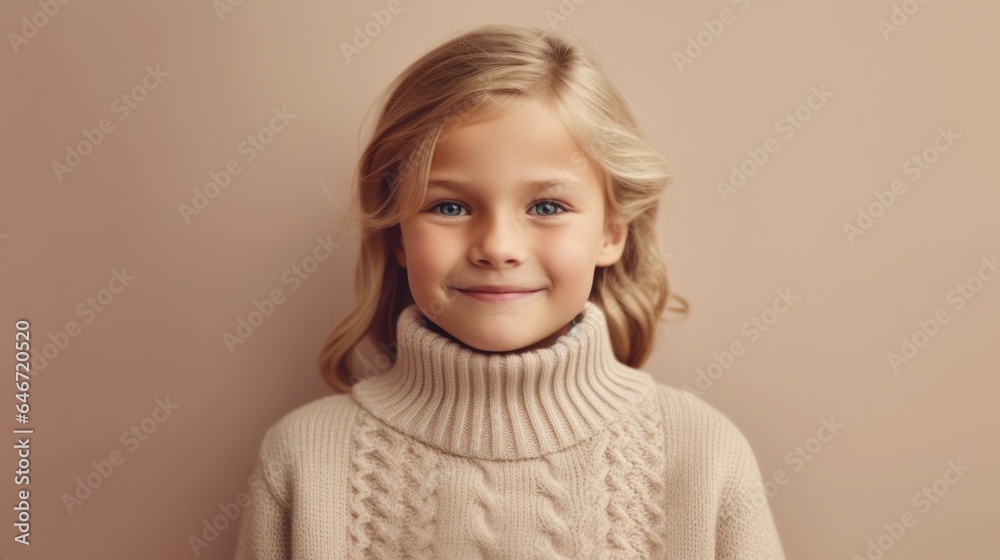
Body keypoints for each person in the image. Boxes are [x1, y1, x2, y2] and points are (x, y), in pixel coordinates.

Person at [233, 23, 785, 559]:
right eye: (450, 206)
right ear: (397, 234)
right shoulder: (303, 461)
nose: (497, 248)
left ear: (612, 233)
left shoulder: (704, 454)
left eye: (546, 206)